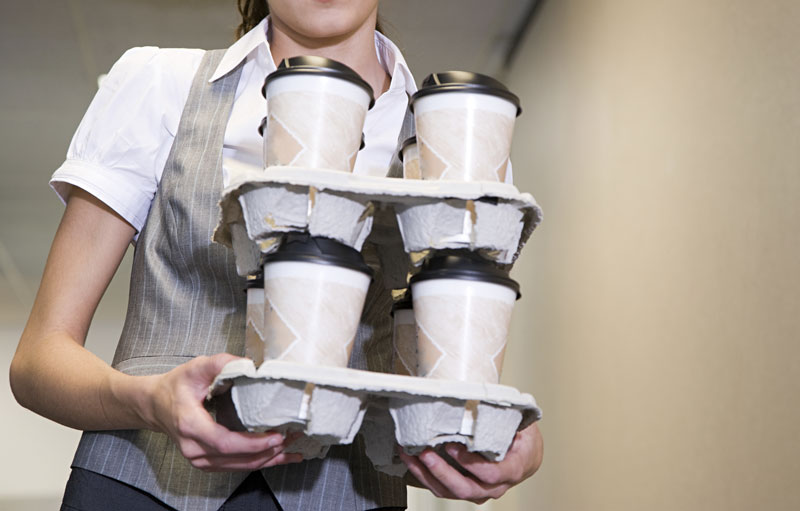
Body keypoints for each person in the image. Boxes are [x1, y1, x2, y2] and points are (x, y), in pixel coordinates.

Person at [9, 0, 543, 509]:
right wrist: (147, 402)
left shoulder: (460, 142)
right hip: (139, 488)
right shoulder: (162, 86)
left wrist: (518, 447)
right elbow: (37, 361)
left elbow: (466, 364)